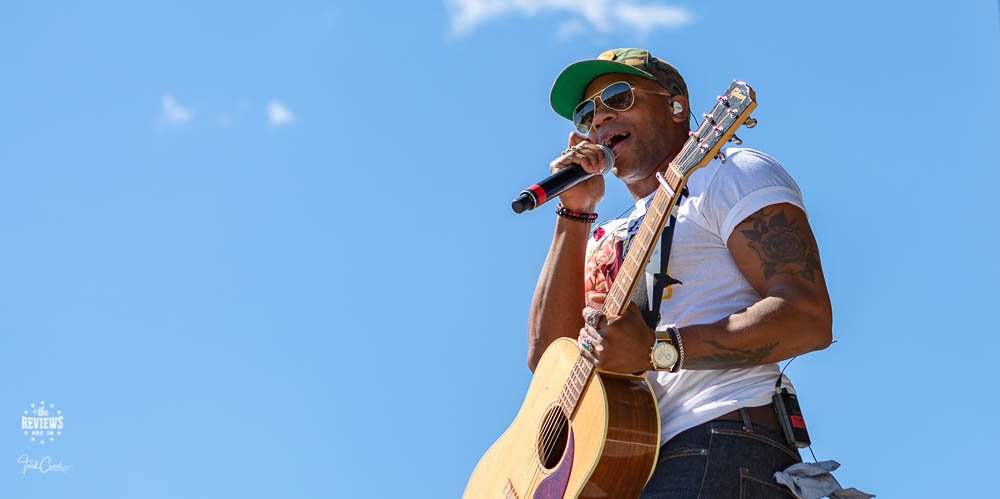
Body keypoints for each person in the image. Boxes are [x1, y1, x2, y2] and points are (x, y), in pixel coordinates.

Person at [527, 48, 833, 498]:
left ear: (675, 106)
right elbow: (548, 361)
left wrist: (660, 351)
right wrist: (574, 214)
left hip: (715, 439)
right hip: (622, 470)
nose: (598, 120)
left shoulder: (727, 174)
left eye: (617, 96)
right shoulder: (605, 235)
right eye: (586, 113)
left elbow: (808, 317)